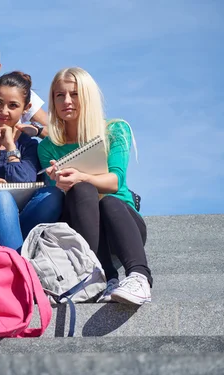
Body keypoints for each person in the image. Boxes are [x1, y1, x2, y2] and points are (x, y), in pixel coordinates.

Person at [38, 67, 152, 305]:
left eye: (75, 94)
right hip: (80, 224)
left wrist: (81, 175)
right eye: (60, 95)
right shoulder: (47, 147)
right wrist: (57, 183)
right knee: (81, 189)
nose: (67, 101)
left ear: (87, 96)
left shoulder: (115, 130)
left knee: (107, 200)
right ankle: (103, 277)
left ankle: (139, 277)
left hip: (121, 221)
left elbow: (114, 181)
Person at [0, 72, 63, 250]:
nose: (4, 111)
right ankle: (19, 267)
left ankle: (16, 253)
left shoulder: (28, 145)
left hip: (22, 218)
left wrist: (10, 147)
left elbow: (23, 182)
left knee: (53, 196)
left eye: (13, 105)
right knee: (2, 198)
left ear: (26, 108)